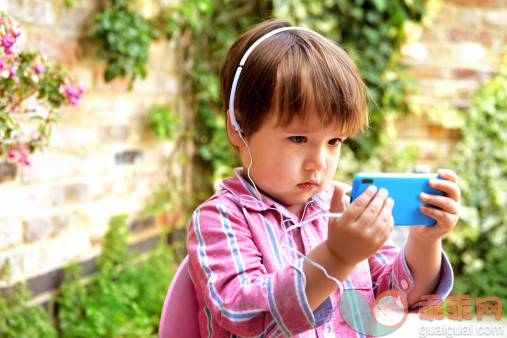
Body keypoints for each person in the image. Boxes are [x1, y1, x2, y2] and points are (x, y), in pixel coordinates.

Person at [186, 19, 460, 337]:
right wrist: (337, 256)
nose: (318, 162)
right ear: (238, 127)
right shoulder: (220, 219)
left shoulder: (341, 206)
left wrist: (425, 240)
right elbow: (247, 315)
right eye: (299, 139)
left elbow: (397, 301)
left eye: (334, 142)